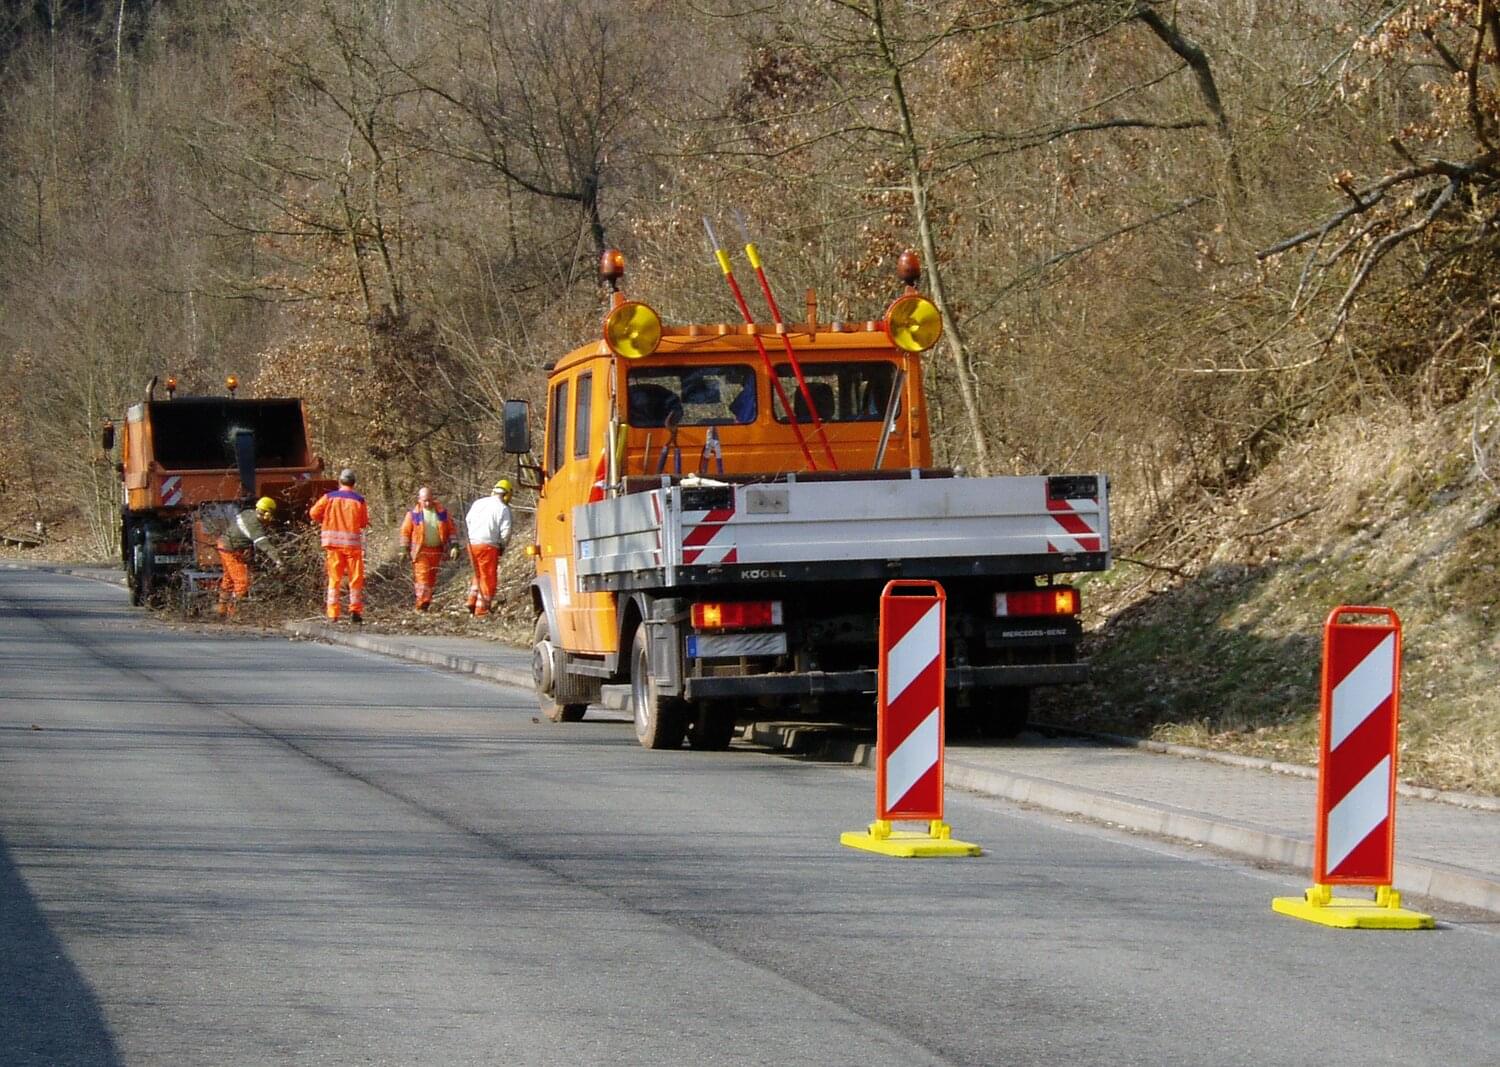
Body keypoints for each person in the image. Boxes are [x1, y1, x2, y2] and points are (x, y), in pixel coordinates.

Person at [309, 468, 370, 624]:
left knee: (334, 579)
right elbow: (363, 522)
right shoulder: (359, 500)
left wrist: (327, 521)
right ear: (354, 483)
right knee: (355, 579)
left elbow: (313, 513)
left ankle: (333, 613)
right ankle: (355, 611)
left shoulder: (329, 498)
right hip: (352, 545)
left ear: (340, 481)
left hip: (333, 545)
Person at [215, 496, 283, 617]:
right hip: (230, 550)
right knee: (242, 581)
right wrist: (278, 561)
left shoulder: (248, 513)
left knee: (229, 580)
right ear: (266, 513)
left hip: (225, 545)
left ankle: (222, 609)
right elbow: (264, 545)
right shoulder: (255, 526)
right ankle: (233, 613)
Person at [399, 486, 456, 612]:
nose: (428, 503)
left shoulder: (442, 513)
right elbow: (405, 532)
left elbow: (451, 529)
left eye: (430, 500)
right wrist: (403, 549)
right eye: (425, 500)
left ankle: (426, 602)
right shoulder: (413, 515)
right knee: (422, 578)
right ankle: (421, 603)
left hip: (437, 550)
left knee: (431, 579)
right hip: (421, 551)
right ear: (419, 500)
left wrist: (454, 546)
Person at [464, 478, 514, 617]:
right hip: (488, 546)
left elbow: (468, 520)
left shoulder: (478, 503)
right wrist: (502, 546)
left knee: (478, 573)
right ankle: (482, 609)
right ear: (507, 494)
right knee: (488, 577)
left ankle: (472, 600)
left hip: (471, 543)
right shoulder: (503, 509)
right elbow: (506, 532)